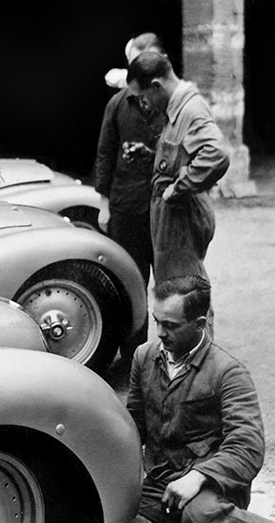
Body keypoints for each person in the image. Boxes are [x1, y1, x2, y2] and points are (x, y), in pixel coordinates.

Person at [127, 276, 275, 523]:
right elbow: (132, 427)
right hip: (159, 484)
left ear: (199, 324)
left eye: (170, 325)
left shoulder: (228, 372)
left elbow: (248, 447)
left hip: (211, 485)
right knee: (114, 513)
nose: (160, 332)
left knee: (200, 516)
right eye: (157, 321)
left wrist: (198, 477)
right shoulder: (144, 357)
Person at [126, 52, 229, 286]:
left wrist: (179, 187)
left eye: (143, 97)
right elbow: (182, 156)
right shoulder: (175, 110)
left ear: (156, 86)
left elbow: (217, 154)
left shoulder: (190, 110)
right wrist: (151, 156)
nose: (144, 104)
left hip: (181, 220)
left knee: (183, 293)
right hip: (173, 219)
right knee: (175, 289)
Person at [93, 33, 166, 364]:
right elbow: (106, 152)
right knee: (131, 283)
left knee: (168, 283)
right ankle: (136, 359)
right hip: (126, 206)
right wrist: (105, 205)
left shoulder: (171, 103)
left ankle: (170, 352)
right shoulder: (118, 103)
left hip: (164, 208)